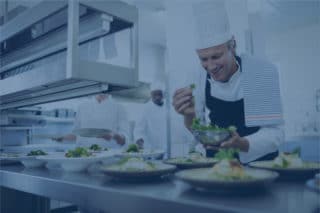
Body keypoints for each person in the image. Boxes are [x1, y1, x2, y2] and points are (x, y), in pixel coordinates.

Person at [172, 0, 284, 163]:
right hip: (218, 166)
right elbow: (198, 132)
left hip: (260, 165)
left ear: (233, 46)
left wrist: (242, 144)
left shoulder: (260, 70)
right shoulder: (198, 76)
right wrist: (189, 116)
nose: (210, 66)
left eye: (216, 56)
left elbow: (276, 133)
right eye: (203, 59)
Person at [53, 93, 129, 149]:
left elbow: (124, 139)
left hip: (108, 157)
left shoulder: (119, 107)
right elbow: (77, 134)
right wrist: (62, 138)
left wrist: (114, 136)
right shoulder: (82, 106)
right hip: (83, 156)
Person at [134, 81, 167, 151]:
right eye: (154, 95)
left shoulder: (169, 107)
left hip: (167, 148)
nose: (157, 97)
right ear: (151, 95)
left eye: (159, 94)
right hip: (151, 150)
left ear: (163, 95)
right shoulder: (145, 109)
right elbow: (139, 129)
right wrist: (139, 141)